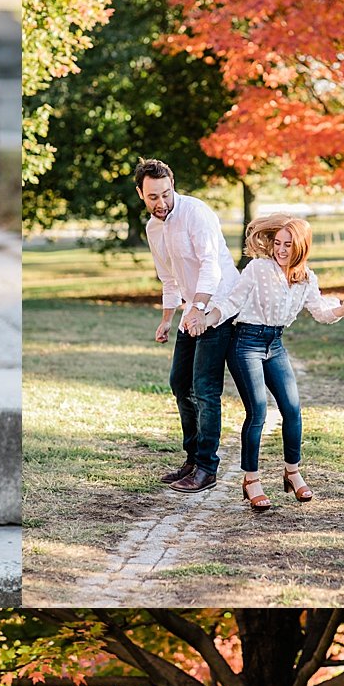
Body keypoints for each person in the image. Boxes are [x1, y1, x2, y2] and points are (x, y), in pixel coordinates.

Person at [186, 216, 344, 513]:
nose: (280, 250)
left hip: (275, 345)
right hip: (246, 344)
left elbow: (320, 312)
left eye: (288, 245)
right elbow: (231, 303)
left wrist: (343, 308)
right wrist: (206, 318)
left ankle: (292, 473)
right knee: (259, 413)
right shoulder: (258, 269)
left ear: (301, 247)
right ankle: (251, 480)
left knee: (292, 409)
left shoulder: (306, 279)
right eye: (278, 243)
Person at [135, 156, 241, 494]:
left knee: (205, 388)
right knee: (180, 382)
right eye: (153, 197)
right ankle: (192, 459)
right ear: (141, 194)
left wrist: (198, 308)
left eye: (166, 194)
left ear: (173, 186)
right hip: (191, 310)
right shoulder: (153, 228)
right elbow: (168, 277)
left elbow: (212, 266)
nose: (161, 203)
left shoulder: (196, 213)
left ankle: (207, 468)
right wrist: (168, 319)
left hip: (219, 306)